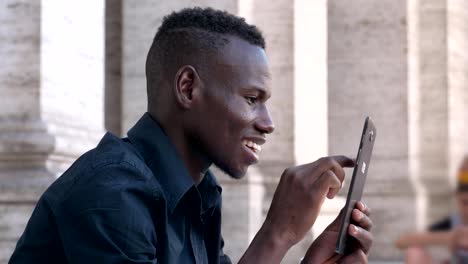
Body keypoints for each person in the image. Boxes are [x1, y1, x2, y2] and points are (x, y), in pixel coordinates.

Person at [9, 7, 373, 263]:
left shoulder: (199, 192)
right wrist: (277, 233)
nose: (268, 122)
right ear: (188, 88)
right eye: (251, 99)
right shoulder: (110, 192)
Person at [395, 156, 468, 264]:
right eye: (465, 203)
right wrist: (452, 237)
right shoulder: (454, 222)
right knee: (414, 252)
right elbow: (402, 241)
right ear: (457, 197)